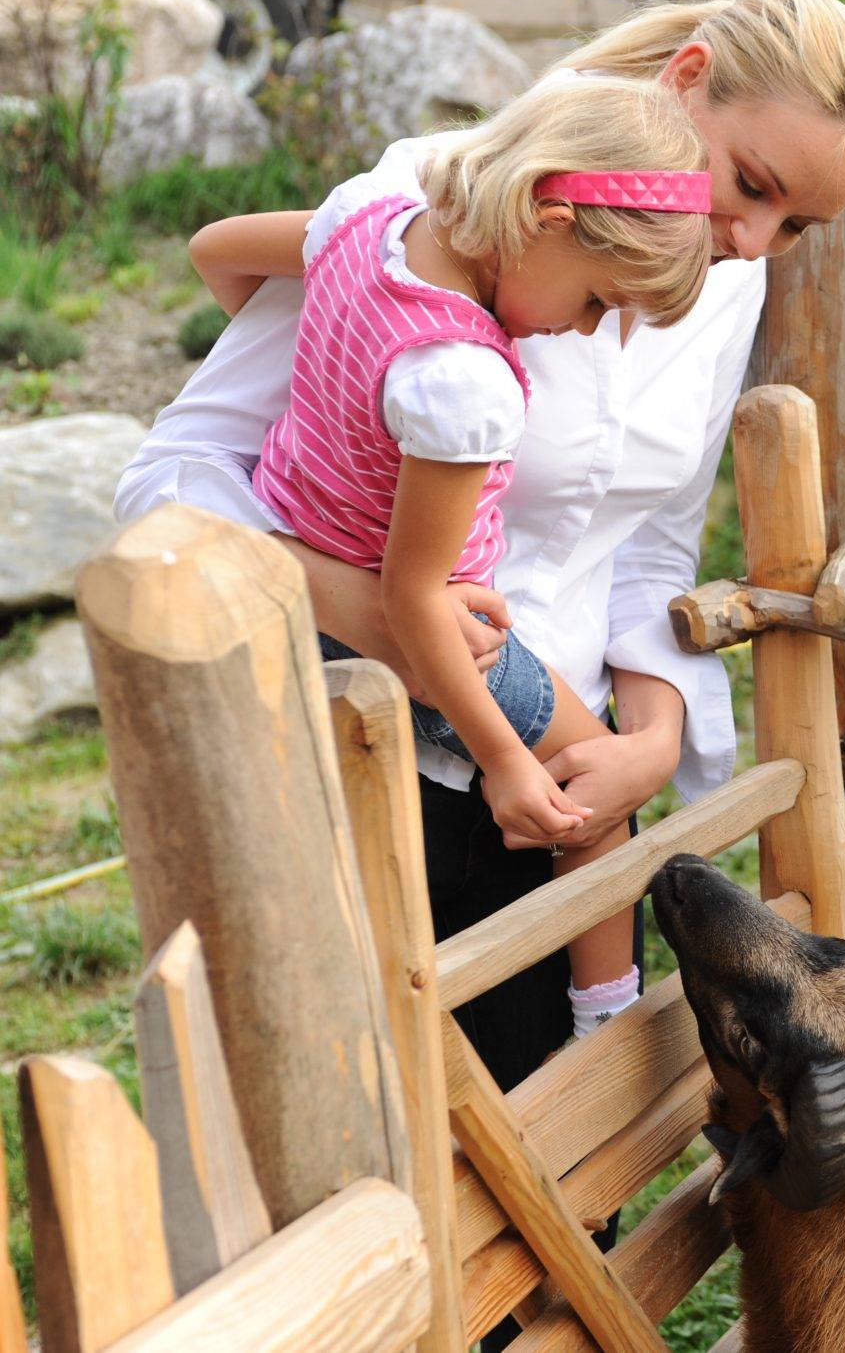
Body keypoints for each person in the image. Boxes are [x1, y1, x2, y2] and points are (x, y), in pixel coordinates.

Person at [116, 1, 845, 1325]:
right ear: (688, 80)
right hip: (366, 764)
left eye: (797, 227)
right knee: (375, 1209)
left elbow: (652, 545)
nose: (753, 240)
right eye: (753, 184)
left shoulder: (723, 279)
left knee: (559, 1205)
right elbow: (170, 480)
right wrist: (405, 620)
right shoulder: (430, 203)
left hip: (559, 799)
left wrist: (647, 742)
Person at [185, 73, 717, 1032]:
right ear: (548, 216)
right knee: (593, 789)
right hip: (416, 632)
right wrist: (505, 760)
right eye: (597, 301)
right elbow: (414, 594)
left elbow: (214, 251)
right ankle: (605, 1023)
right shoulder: (462, 380)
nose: (582, 330)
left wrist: (332, 374)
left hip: (299, 569)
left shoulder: (365, 222)